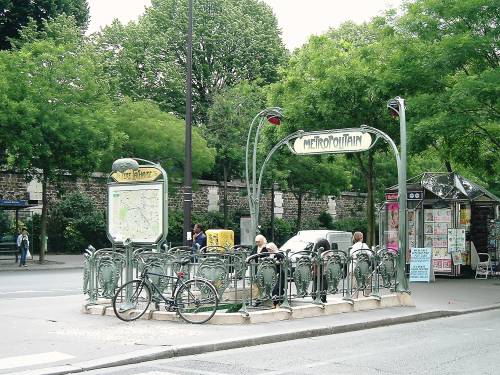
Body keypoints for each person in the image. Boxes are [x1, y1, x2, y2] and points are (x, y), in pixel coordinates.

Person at [312, 238, 330, 303]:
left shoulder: (318, 253)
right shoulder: (329, 253)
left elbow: (315, 261)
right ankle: (323, 297)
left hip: (318, 272)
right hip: (324, 272)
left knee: (316, 283)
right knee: (323, 284)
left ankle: (316, 296)